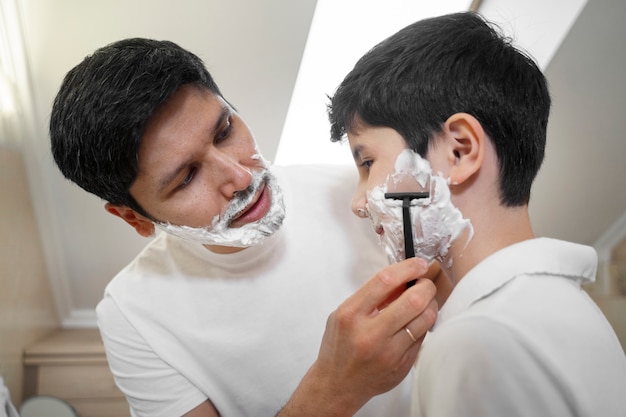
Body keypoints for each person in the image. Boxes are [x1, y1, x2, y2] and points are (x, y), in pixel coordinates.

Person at [48, 38, 439, 417]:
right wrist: (333, 390)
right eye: (186, 178)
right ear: (134, 218)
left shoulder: (358, 194)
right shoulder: (133, 317)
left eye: (224, 132)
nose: (238, 176)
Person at [327, 11, 626, 417]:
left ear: (459, 151)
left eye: (366, 163)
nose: (358, 203)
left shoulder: (478, 341)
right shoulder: (567, 307)